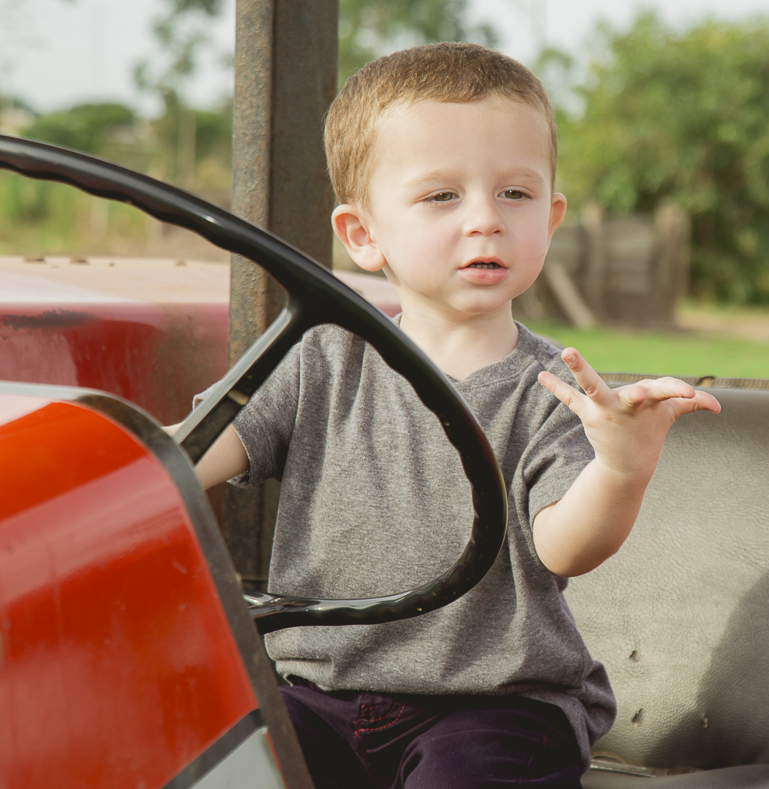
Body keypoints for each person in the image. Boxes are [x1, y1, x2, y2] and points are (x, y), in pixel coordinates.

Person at [184, 42, 721, 788]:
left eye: (515, 194)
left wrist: (621, 466)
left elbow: (564, 546)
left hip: (493, 707)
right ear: (364, 235)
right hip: (315, 696)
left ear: (552, 216)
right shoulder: (320, 361)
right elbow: (183, 461)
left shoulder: (554, 388)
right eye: (442, 196)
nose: (485, 221)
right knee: (209, 760)